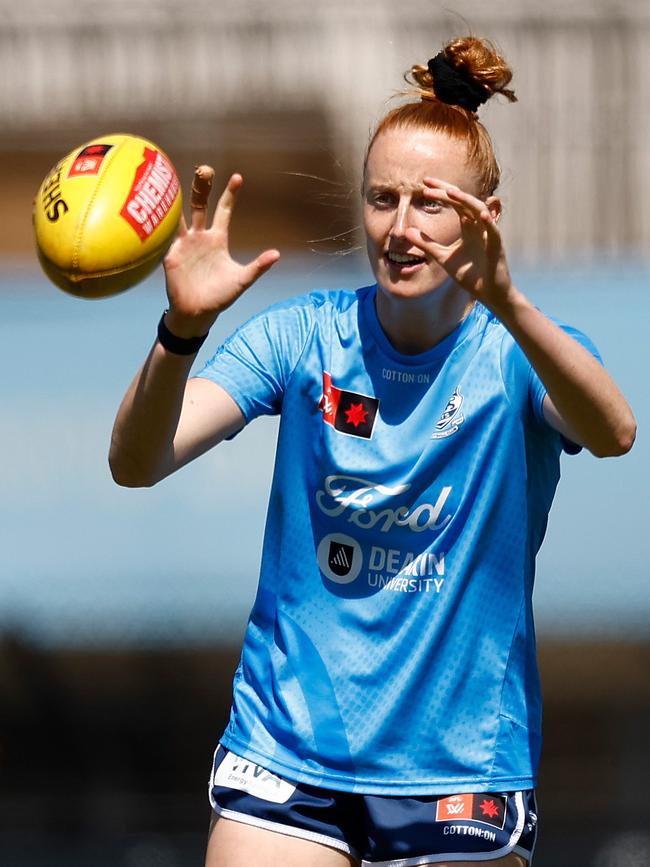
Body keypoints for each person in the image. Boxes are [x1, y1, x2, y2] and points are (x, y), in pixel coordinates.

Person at [109, 35, 636, 867]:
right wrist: (183, 330)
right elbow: (137, 461)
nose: (401, 228)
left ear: (483, 216)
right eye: (381, 199)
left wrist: (509, 301)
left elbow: (613, 432)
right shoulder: (300, 335)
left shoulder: (518, 354)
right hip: (285, 749)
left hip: (459, 766)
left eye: (430, 203)